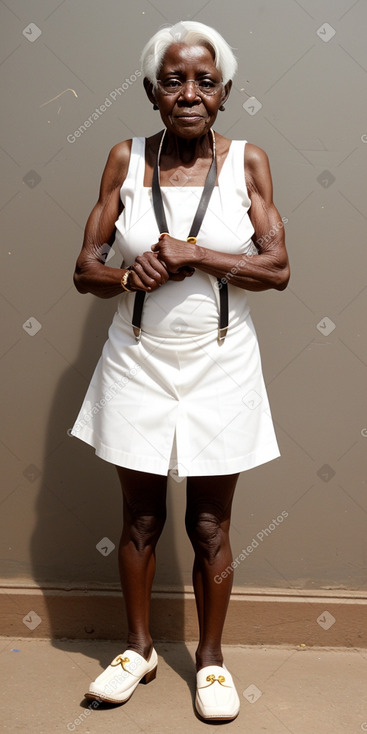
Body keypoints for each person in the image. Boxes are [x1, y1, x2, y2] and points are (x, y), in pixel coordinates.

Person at [71, 19, 290, 722]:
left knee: (208, 526)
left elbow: (277, 269)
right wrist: (129, 277)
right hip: (135, 361)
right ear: (150, 91)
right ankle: (136, 652)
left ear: (224, 93)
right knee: (137, 520)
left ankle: (211, 662)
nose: (188, 93)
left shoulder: (248, 162)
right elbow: (84, 271)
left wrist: (195, 255)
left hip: (221, 362)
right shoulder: (123, 159)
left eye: (203, 81)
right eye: (173, 80)